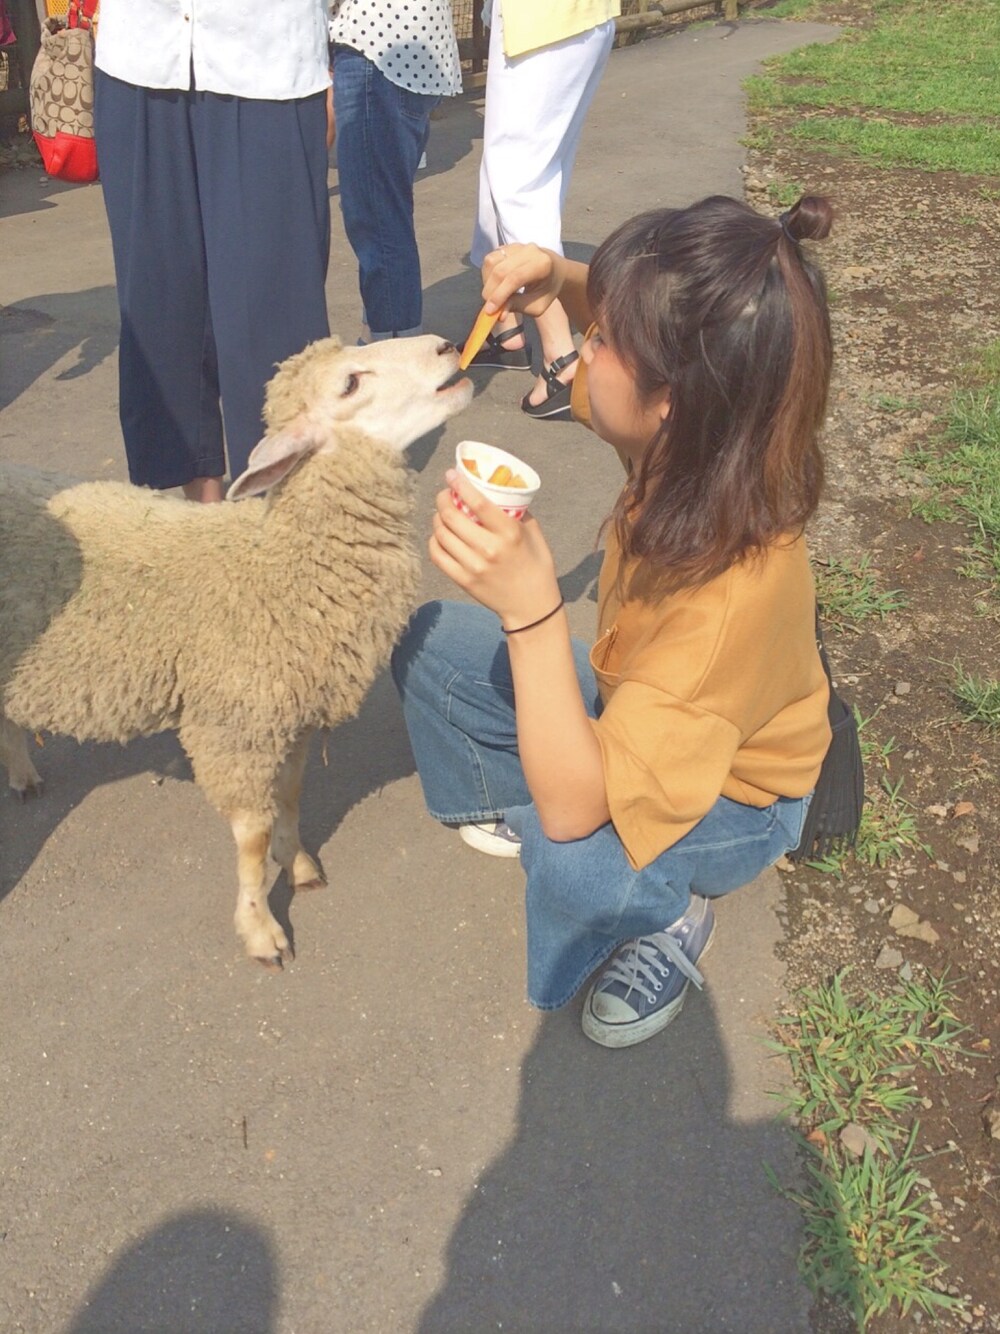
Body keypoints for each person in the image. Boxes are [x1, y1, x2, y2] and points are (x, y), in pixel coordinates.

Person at [391, 194, 835, 1048]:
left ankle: (667, 917)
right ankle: (531, 789)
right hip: (631, 698)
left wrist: (531, 610)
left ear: (672, 396)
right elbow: (642, 326)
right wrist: (553, 279)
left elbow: (572, 815)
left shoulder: (733, 596)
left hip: (737, 799)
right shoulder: (704, 436)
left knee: (570, 856)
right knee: (433, 642)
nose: (580, 348)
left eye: (599, 341)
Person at [93, 0, 333, 501]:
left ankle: (279, 520)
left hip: (268, 57)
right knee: (162, 308)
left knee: (275, 317)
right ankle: (203, 518)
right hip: (141, 50)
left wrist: (340, 56)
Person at [465, 0, 619, 422]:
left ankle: (561, 359)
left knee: (518, 183)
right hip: (571, 19)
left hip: (540, 23)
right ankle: (506, 329)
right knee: (513, 175)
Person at [329, 0, 462, 343]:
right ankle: (380, 335)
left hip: (376, 47)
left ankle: (393, 347)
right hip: (411, 47)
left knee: (378, 218)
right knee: (383, 213)